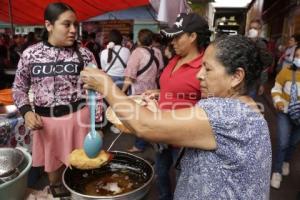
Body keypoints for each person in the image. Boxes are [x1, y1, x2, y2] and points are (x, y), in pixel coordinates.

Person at [81, 34, 272, 199]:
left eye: (208, 68)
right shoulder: (243, 108)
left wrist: (105, 85)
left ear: (236, 76)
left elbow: (145, 126)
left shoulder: (228, 114)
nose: (199, 75)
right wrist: (158, 115)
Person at [12, 2, 97, 190]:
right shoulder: (30, 55)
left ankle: (81, 192)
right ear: (49, 25)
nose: (73, 30)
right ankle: (56, 190)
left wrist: (95, 124)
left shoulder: (84, 54)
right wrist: (26, 112)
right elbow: (18, 88)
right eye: (67, 24)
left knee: (82, 170)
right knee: (53, 169)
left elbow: (96, 91)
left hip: (79, 120)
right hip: (46, 123)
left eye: (75, 24)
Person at [144, 12, 210, 200]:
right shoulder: (174, 59)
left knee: (184, 180)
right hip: (161, 133)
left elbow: (208, 105)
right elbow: (172, 86)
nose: (172, 41)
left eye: (177, 36)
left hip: (183, 139)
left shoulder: (205, 66)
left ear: (192, 37)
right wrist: (160, 93)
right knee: (161, 173)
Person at [122, 29, 164, 152]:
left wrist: (123, 91)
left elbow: (130, 75)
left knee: (139, 118)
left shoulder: (137, 52)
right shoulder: (157, 52)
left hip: (138, 91)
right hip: (153, 89)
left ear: (139, 40)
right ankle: (148, 140)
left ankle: (139, 145)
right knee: (149, 115)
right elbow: (159, 71)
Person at [270, 46, 300, 189]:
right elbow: (276, 88)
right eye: (298, 56)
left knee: (293, 143)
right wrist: (279, 101)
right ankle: (277, 171)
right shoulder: (286, 71)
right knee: (283, 143)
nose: (298, 59)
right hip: (285, 113)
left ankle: (286, 161)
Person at [100, 29, 130, 133]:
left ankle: (107, 124)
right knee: (120, 103)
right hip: (123, 81)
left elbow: (103, 68)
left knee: (109, 102)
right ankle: (118, 125)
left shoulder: (104, 52)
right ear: (121, 39)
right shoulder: (127, 51)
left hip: (109, 80)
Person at [247, 19, 273, 98]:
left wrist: (262, 84)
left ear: (260, 30)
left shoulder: (262, 45)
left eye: (255, 28)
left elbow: (264, 67)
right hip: (240, 81)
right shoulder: (243, 42)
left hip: (253, 82)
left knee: (249, 105)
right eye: (251, 28)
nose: (252, 30)